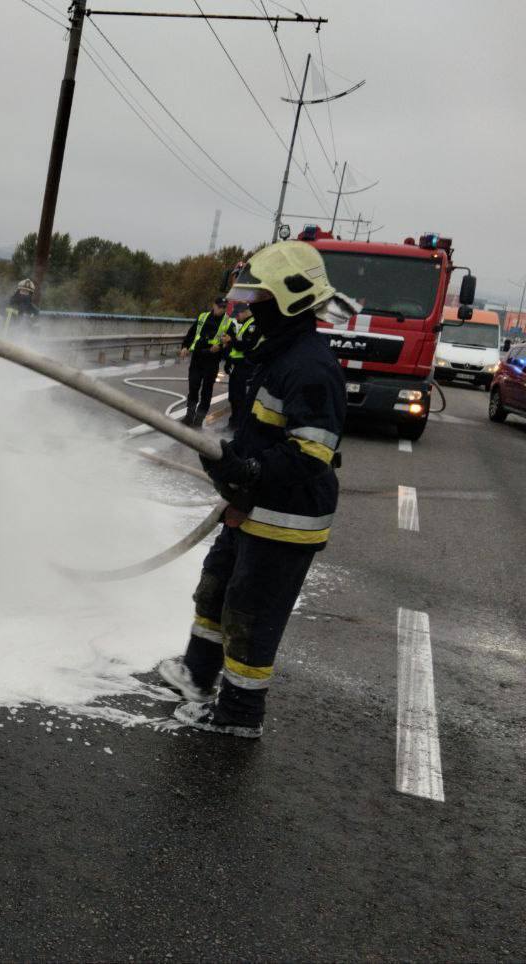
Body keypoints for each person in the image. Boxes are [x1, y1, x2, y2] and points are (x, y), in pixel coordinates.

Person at [157, 240, 346, 738]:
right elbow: (257, 429)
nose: (249, 305)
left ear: (289, 299)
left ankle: (240, 715)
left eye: (260, 296)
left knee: (251, 614)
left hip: (287, 516)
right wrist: (235, 470)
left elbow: (311, 454)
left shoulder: (308, 367)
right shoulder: (272, 352)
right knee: (216, 588)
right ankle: (197, 678)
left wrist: (250, 470)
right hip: (252, 502)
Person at [178, 298, 231, 426]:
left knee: (206, 391)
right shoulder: (203, 317)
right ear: (214, 305)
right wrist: (185, 347)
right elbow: (191, 334)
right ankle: (189, 416)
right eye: (219, 306)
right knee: (193, 387)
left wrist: (221, 347)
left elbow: (230, 343)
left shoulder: (228, 323)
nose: (221, 309)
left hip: (212, 361)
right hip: (197, 358)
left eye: (224, 307)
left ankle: (199, 420)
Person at [224, 304, 260, 432]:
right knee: (233, 397)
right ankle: (232, 424)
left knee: (240, 398)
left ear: (245, 312)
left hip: (245, 367)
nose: (237, 317)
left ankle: (238, 426)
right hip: (237, 365)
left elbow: (245, 345)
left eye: (238, 314)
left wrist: (230, 340)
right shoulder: (246, 323)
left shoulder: (253, 325)